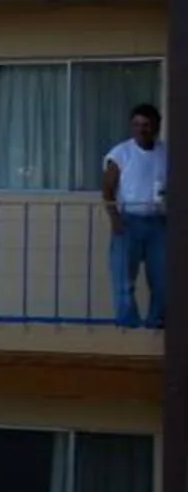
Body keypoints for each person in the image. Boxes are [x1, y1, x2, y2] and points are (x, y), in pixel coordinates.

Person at [103, 102, 167, 330]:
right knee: (124, 279)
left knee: (162, 279)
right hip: (129, 220)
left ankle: (157, 321)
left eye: (146, 124)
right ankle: (128, 324)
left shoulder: (165, 153)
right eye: (136, 124)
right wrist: (115, 218)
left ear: (156, 126)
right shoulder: (121, 152)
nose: (141, 129)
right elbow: (108, 189)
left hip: (159, 223)